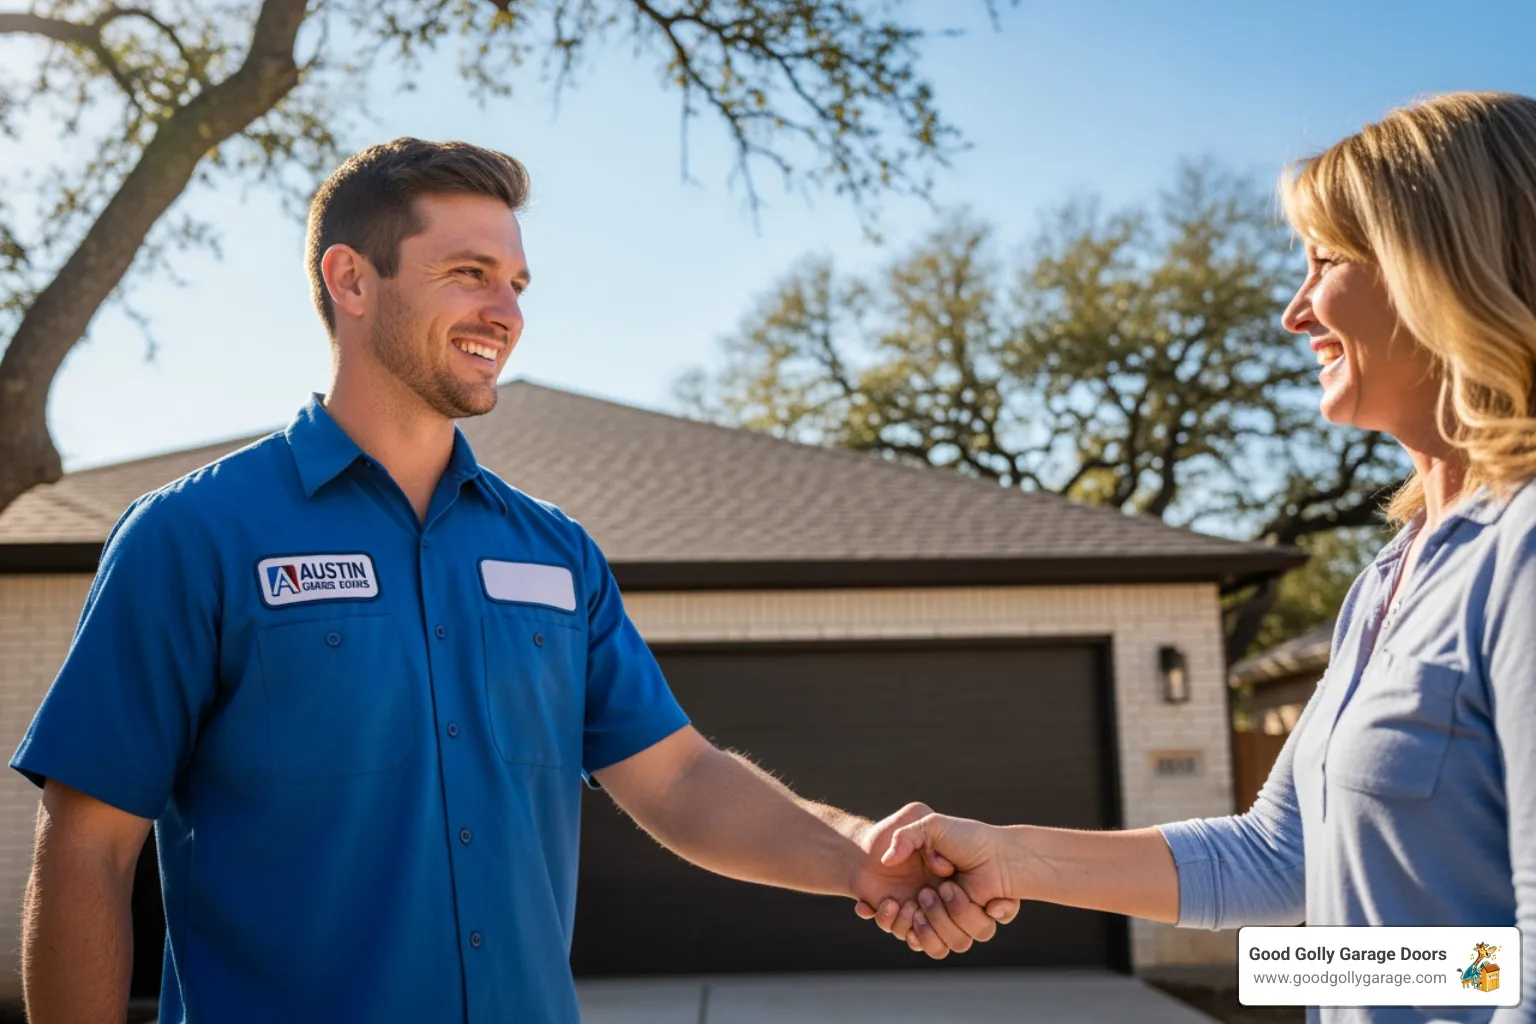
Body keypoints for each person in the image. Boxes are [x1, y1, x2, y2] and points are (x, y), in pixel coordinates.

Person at [10, 138, 1016, 1024]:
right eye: (468, 273)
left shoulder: (554, 551)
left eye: (518, 283)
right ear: (351, 280)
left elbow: (677, 777)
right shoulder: (193, 536)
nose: (505, 311)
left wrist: (855, 854)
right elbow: (89, 847)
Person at [858, 91, 1536, 1023]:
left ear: (1445, 268)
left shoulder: (1523, 555)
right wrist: (1014, 858)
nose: (1297, 311)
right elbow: (1283, 861)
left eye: (1327, 260)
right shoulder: (1390, 577)